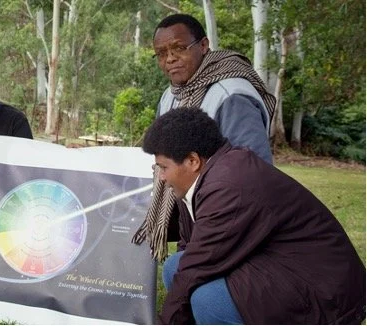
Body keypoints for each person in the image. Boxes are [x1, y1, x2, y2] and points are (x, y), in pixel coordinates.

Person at [142, 108, 365, 324]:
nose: (161, 177)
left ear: (193, 161)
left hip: (325, 292)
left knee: (209, 301)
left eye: (163, 167)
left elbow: (197, 266)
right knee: (175, 267)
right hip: (275, 261)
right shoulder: (203, 177)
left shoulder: (227, 186)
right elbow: (190, 250)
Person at [133, 13, 278, 261]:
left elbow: (256, 174)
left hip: (230, 221)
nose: (170, 59)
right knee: (181, 269)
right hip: (191, 212)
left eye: (179, 48)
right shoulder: (171, 96)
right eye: (161, 53)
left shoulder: (231, 95)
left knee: (192, 277)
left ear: (203, 45)